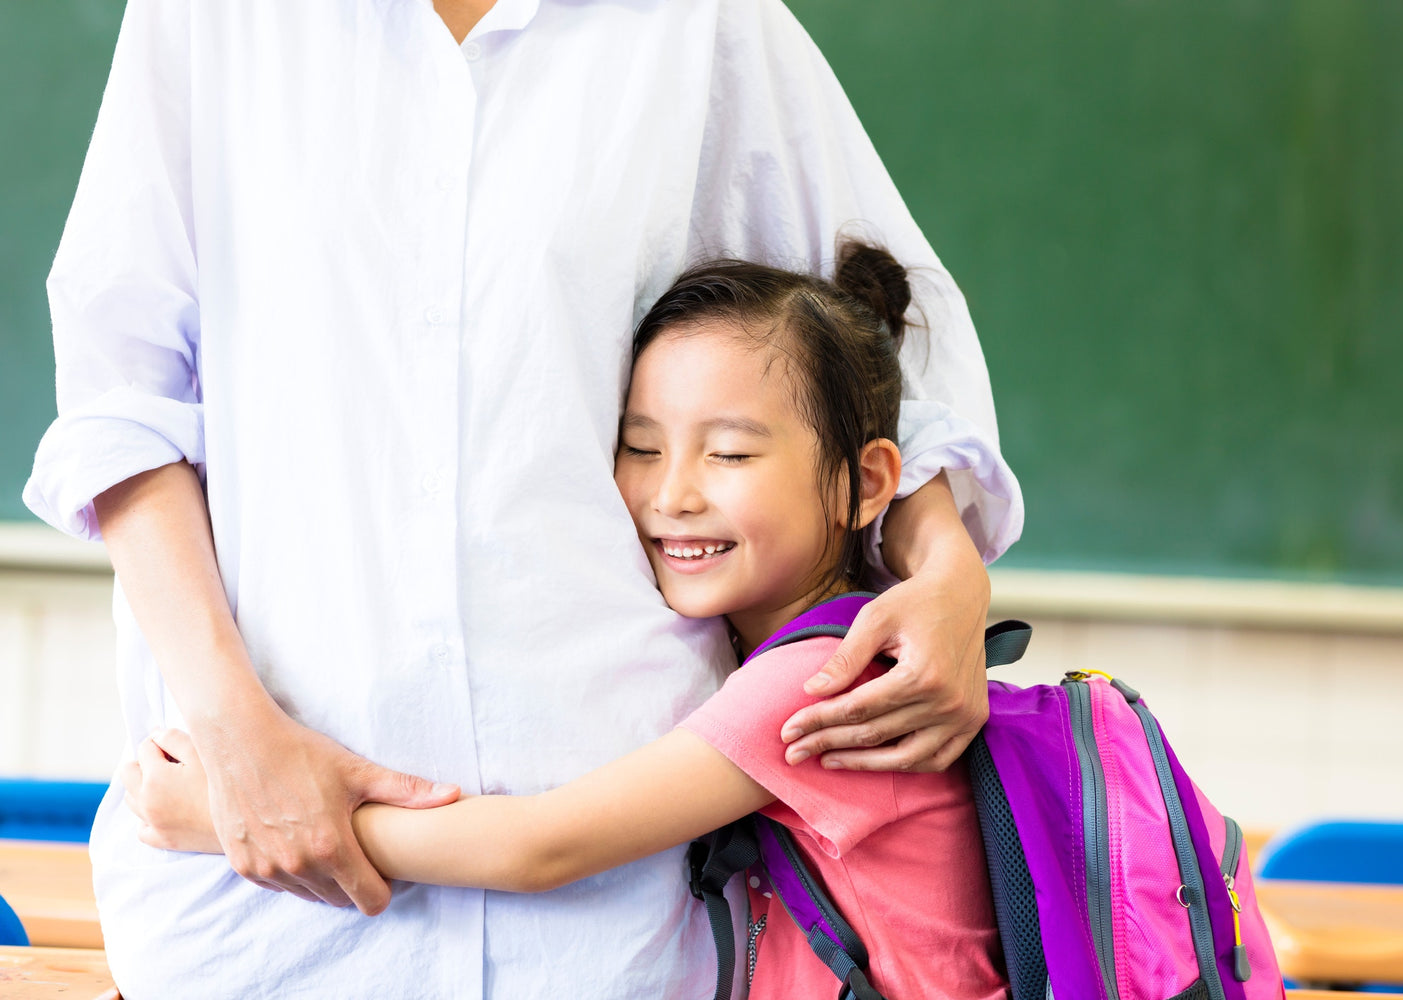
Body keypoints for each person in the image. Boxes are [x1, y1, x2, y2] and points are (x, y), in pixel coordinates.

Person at [24, 1, 1021, 995]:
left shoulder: (702, 26)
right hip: (256, 904)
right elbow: (123, 404)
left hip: (615, 917)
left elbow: (885, 344)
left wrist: (946, 571)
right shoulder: (214, 20)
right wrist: (236, 739)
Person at [124, 243, 1008, 1000]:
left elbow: (540, 848)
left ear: (867, 482)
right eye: (640, 447)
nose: (674, 495)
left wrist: (231, 819)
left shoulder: (821, 679)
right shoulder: (801, 649)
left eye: (731, 452)